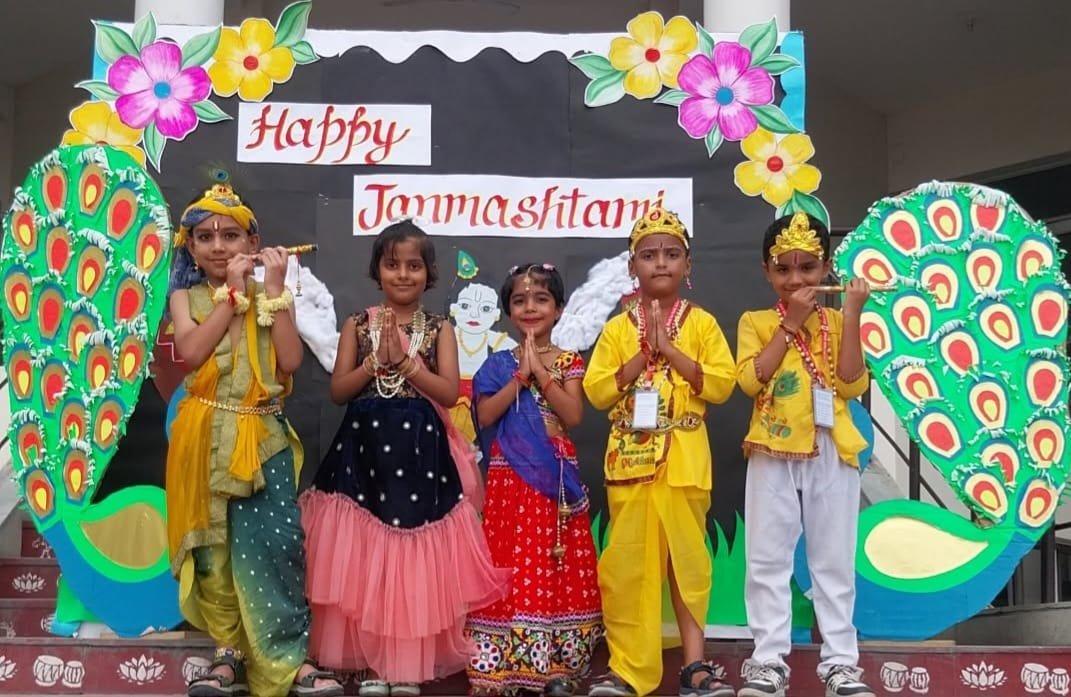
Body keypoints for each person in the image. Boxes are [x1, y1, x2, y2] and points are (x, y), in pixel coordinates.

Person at [299, 220, 511, 696]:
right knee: (367, 555)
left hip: (419, 453)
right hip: (364, 451)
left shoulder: (439, 329)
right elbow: (339, 391)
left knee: (409, 552)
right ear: (377, 269)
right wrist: (376, 361)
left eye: (413, 266)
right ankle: (374, 664)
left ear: (429, 273)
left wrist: (407, 363)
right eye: (392, 264)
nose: (402, 274)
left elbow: (450, 392)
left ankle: (405, 665)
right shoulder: (358, 324)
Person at [165, 183, 342, 697]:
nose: (218, 246)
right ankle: (228, 655)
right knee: (213, 553)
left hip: (263, 436)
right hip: (203, 438)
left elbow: (289, 361)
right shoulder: (185, 297)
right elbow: (192, 352)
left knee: (278, 547)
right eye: (205, 237)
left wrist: (275, 287)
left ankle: (289, 661)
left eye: (231, 235)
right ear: (190, 247)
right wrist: (233, 295)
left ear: (253, 242)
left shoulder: (272, 294)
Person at [582, 209, 736, 697]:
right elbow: (597, 391)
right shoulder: (616, 329)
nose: (661, 263)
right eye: (649, 255)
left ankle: (694, 667)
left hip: (685, 462)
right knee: (628, 569)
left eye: (672, 254)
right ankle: (629, 671)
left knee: (688, 567)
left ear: (688, 264)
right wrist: (642, 354)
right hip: (630, 462)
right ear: (633, 267)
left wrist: (668, 348)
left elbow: (721, 385)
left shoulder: (703, 324)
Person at [735, 212, 874, 697]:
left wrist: (853, 315)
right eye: (784, 269)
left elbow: (852, 384)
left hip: (831, 447)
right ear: (766, 272)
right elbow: (750, 380)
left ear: (827, 267)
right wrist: (790, 324)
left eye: (808, 267)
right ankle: (768, 661)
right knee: (766, 559)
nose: (796, 279)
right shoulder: (755, 322)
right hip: (772, 446)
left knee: (833, 559)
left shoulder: (837, 320)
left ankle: (841, 664)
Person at [465, 264, 603, 697]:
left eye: (541, 299)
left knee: (554, 559)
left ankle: (556, 663)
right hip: (509, 475)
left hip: (553, 476)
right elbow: (485, 415)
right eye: (520, 300)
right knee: (510, 557)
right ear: (509, 311)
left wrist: (541, 373)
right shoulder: (497, 364)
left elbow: (573, 415)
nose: (530, 308)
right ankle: (499, 663)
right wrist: (520, 377)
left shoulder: (568, 361)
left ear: (558, 309)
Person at [448, 281, 517, 442]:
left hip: (487, 429)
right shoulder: (440, 339)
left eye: (485, 309)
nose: (474, 315)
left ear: (497, 314)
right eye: (465, 306)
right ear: (453, 308)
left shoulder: (504, 346)